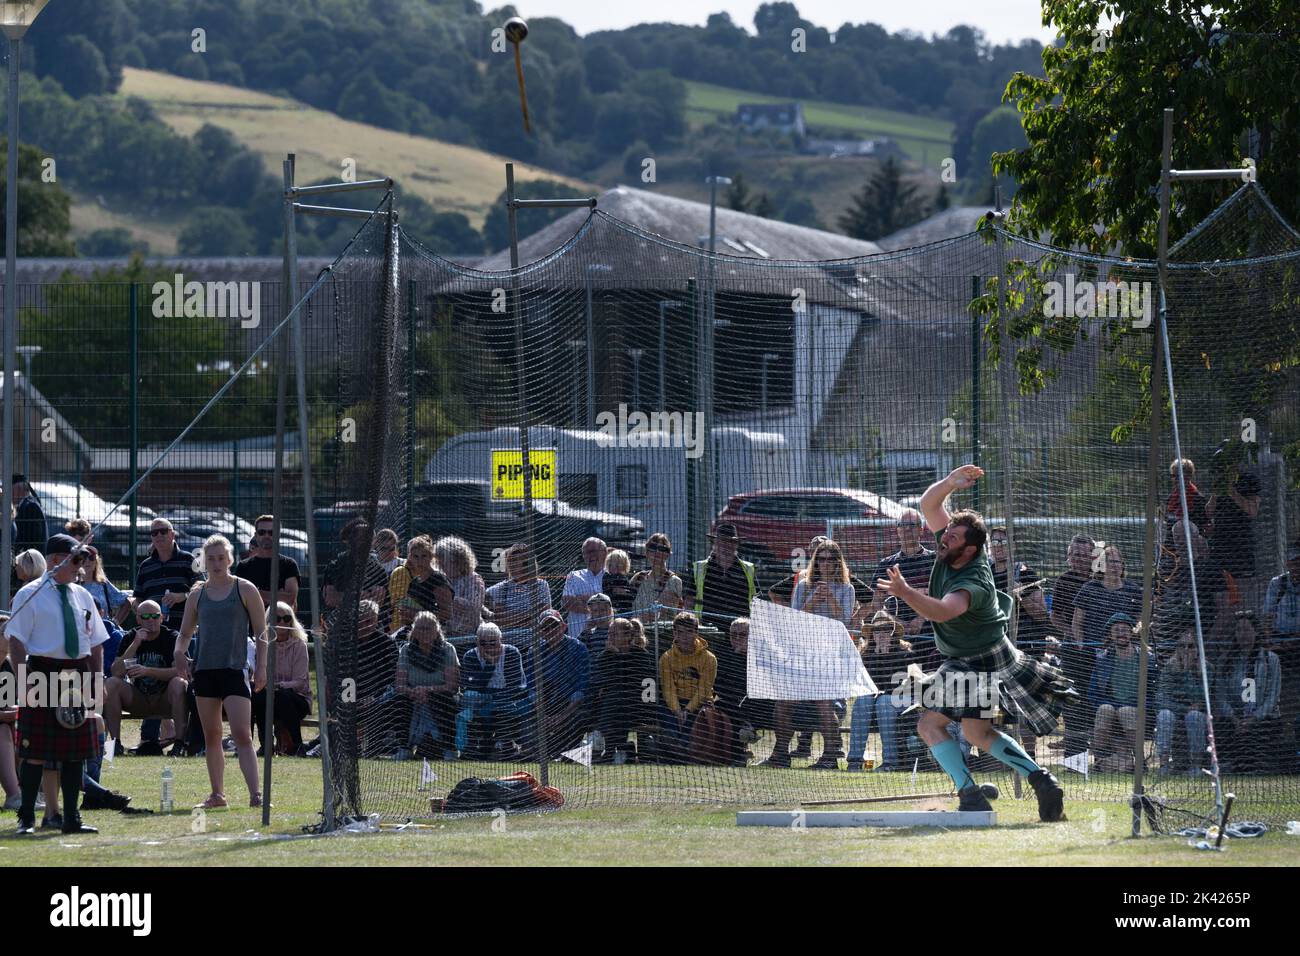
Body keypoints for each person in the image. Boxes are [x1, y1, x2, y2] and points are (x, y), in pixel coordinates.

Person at [874, 464, 1070, 821]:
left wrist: (904, 592)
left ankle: (969, 794)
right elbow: (928, 505)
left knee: (930, 725)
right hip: (982, 657)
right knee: (977, 731)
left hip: (976, 661)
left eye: (951, 537)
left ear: (969, 549)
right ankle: (1043, 782)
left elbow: (944, 612)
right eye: (946, 533)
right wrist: (949, 483)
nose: (943, 538)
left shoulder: (973, 581)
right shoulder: (954, 549)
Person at [5, 535, 108, 834]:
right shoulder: (30, 594)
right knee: (34, 750)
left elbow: (97, 642)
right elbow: (16, 640)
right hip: (42, 672)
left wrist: (97, 679)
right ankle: (26, 818)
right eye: (76, 559)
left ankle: (70, 819)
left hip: (76, 675)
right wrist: (24, 680)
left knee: (75, 752)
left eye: (83, 560)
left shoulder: (82, 595)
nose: (81, 566)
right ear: (55, 561)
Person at [175, 534, 267, 809]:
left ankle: (256, 795)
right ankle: (218, 795)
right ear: (204, 561)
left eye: (220, 557)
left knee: (242, 734)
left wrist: (261, 668)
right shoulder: (197, 594)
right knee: (212, 735)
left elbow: (262, 633)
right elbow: (184, 633)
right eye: (211, 558)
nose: (216, 563)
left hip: (235, 669)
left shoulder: (245, 589)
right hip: (204, 671)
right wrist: (179, 652)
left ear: (230, 559)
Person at [784, 538, 853, 770]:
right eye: (821, 559)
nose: (825, 564)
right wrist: (813, 601)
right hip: (804, 653)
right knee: (784, 700)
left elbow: (844, 622)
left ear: (837, 562)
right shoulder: (804, 586)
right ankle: (779, 753)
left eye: (831, 559)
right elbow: (795, 619)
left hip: (831, 656)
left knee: (825, 704)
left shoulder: (846, 589)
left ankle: (830, 756)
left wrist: (831, 599)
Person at [103, 600, 188, 750]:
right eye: (146, 616)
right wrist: (135, 644)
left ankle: (180, 743)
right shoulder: (130, 638)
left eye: (155, 616)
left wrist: (148, 671)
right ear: (138, 619)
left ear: (162, 618)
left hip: (165, 699)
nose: (151, 620)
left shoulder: (172, 637)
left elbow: (182, 672)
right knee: (111, 683)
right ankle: (115, 745)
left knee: (179, 683)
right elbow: (116, 672)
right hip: (139, 698)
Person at [1214, 610, 1284, 773]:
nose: (1242, 634)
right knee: (1223, 730)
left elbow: (1273, 697)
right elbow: (1221, 696)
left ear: (1255, 631)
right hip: (1234, 719)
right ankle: (1235, 765)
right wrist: (1234, 717)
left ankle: (1256, 766)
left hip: (1264, 718)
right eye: (1238, 630)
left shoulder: (1271, 659)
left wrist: (1254, 718)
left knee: (1257, 734)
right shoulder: (1225, 661)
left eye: (1246, 629)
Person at [847, 611, 915, 772]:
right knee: (863, 701)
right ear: (872, 635)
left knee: (884, 702)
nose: (882, 634)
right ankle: (854, 761)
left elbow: (907, 686)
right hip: (877, 702)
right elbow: (865, 685)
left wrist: (886, 657)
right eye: (877, 631)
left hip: (906, 700)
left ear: (892, 633)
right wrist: (878, 656)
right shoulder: (866, 655)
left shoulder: (906, 653)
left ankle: (890, 763)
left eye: (886, 630)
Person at [1087, 614, 1154, 773]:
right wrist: (1109, 705)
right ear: (1110, 635)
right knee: (1105, 709)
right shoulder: (1102, 659)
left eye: (1124, 630)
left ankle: (1139, 761)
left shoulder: (1147, 658)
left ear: (1131, 633)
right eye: (1116, 630)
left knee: (1126, 711)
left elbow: (1154, 691)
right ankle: (1100, 759)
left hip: (1137, 709)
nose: (1120, 633)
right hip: (1110, 707)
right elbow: (1092, 693)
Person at [454, 622, 529, 759]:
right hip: (481, 699)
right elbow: (473, 685)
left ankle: (504, 744)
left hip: (509, 698)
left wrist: (492, 697)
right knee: (469, 699)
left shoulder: (511, 652)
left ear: (500, 640)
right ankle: (472, 747)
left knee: (499, 706)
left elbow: (515, 684)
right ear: (477, 642)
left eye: (493, 643)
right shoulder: (470, 656)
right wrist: (490, 664)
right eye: (483, 643)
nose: (488, 647)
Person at [396, 611, 461, 759]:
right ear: (414, 631)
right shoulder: (406, 650)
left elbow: (452, 686)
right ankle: (404, 748)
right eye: (420, 628)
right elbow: (399, 685)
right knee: (399, 699)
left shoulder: (448, 649)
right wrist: (414, 692)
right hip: (413, 696)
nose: (424, 632)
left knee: (443, 699)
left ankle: (449, 749)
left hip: (441, 695)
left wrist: (428, 690)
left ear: (437, 630)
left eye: (428, 628)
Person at [250, 603, 313, 756]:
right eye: (277, 619)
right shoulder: (263, 644)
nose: (283, 623)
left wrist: (278, 686)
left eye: (286, 618)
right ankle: (266, 745)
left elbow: (300, 682)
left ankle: (298, 745)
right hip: (269, 696)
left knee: (283, 696)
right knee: (258, 695)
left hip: (297, 699)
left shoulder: (299, 645)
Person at [590, 617, 655, 761]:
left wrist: (618, 657)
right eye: (609, 634)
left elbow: (631, 681)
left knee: (619, 697)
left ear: (628, 636)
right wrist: (613, 654)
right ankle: (621, 748)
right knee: (615, 699)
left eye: (615, 634)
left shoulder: (641, 655)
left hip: (638, 704)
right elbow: (605, 680)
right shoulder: (605, 655)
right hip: (613, 704)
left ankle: (612, 749)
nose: (610, 637)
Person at [657, 611, 718, 762]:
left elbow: (704, 689)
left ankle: (684, 751)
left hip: (699, 703)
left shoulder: (709, 659)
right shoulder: (666, 658)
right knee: (665, 718)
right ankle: (676, 750)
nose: (685, 637)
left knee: (696, 721)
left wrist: (687, 710)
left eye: (689, 632)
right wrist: (677, 710)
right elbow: (668, 689)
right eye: (680, 632)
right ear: (674, 634)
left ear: (696, 632)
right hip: (674, 704)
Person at [529, 609, 590, 757]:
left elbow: (582, 686)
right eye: (545, 628)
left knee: (579, 717)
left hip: (570, 704)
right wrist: (542, 714)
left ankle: (569, 752)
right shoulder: (534, 651)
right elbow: (531, 687)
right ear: (540, 632)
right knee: (526, 716)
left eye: (554, 626)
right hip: (544, 704)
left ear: (563, 626)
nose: (550, 631)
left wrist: (562, 716)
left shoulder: (578, 648)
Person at [712, 617, 770, 766]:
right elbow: (718, 686)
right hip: (732, 703)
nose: (737, 638)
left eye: (743, 635)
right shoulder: (724, 656)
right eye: (733, 635)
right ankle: (736, 756)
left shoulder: (763, 656)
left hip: (760, 704)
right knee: (722, 706)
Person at [869, 511, 937, 635]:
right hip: (894, 635)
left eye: (912, 525)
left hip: (930, 633)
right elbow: (876, 603)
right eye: (902, 525)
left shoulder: (934, 560)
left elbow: (941, 596)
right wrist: (894, 622)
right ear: (898, 530)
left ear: (921, 530)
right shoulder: (886, 564)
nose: (907, 529)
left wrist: (921, 619)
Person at [1206, 467, 1262, 613]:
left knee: (1245, 605)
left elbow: (1253, 510)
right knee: (1224, 604)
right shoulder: (1220, 483)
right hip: (1220, 552)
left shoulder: (1248, 479)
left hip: (1242, 552)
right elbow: (1209, 511)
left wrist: (1231, 490)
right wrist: (1217, 492)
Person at [1155, 630, 1208, 776]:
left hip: (1198, 717)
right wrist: (1184, 708)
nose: (1186, 650)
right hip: (1174, 713)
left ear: (1197, 649)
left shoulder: (1206, 669)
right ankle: (1164, 766)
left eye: (1191, 646)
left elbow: (1207, 698)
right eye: (1182, 646)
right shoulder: (1169, 668)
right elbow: (1161, 699)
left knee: (1194, 716)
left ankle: (1196, 767)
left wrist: (1189, 672)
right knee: (1164, 715)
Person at [987, 527, 1049, 648]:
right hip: (995, 643)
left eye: (1004, 542)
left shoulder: (1025, 573)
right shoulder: (986, 575)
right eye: (994, 542)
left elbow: (1041, 614)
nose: (998, 546)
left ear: (1013, 546)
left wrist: (1021, 593)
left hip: (1024, 643)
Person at [692, 523, 755, 630]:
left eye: (730, 541)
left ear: (736, 544)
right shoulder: (699, 568)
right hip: (707, 628)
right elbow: (689, 600)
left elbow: (756, 601)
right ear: (715, 543)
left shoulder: (749, 569)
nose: (726, 545)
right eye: (722, 541)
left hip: (740, 631)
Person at [485, 542, 552, 638]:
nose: (514, 565)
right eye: (511, 561)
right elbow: (501, 621)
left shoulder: (541, 585)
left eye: (519, 561)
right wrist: (530, 615)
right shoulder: (501, 589)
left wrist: (511, 618)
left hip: (535, 639)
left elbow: (544, 616)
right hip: (509, 639)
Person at [236, 514, 302, 611]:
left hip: (280, 623)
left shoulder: (289, 565)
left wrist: (254, 592)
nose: (266, 536)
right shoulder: (243, 566)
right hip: (250, 624)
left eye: (271, 533)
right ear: (256, 535)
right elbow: (239, 599)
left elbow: (290, 599)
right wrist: (277, 595)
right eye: (262, 532)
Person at [432, 535, 485, 638]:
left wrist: (448, 598)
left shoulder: (473, 579)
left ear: (458, 561)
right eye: (438, 561)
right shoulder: (438, 580)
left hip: (469, 635)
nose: (439, 565)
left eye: (443, 560)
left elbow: (473, 607)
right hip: (443, 634)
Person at [630, 533, 682, 625]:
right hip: (635, 631)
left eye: (662, 549)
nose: (657, 552)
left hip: (660, 632)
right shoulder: (638, 577)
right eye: (653, 547)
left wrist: (633, 623)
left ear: (668, 554)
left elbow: (657, 612)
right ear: (646, 552)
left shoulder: (673, 581)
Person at [561, 537, 607, 639]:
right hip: (577, 638)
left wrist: (583, 599)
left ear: (604, 552)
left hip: (606, 639)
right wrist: (602, 608)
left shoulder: (611, 576)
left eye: (593, 551)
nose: (590, 555)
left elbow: (615, 603)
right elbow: (568, 602)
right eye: (586, 553)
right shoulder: (574, 576)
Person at [12, 475, 46, 553]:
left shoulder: (30, 506)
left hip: (30, 557)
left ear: (19, 490)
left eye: (10, 490)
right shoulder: (27, 504)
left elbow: (33, 537)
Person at [602, 549, 637, 615]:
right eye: (611, 564)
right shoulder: (606, 577)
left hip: (624, 609)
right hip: (611, 608)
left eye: (618, 565)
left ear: (624, 566)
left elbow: (631, 594)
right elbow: (604, 590)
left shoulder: (624, 579)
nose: (615, 567)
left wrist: (625, 592)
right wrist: (613, 591)